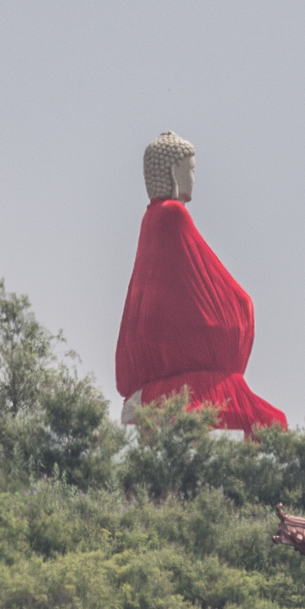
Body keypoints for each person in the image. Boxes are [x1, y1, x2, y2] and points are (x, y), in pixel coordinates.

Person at [114, 131, 286, 434]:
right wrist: (239, 304)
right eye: (190, 170)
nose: (193, 178)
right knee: (269, 424)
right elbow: (202, 274)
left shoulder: (152, 218)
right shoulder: (171, 215)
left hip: (165, 376)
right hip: (190, 372)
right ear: (172, 172)